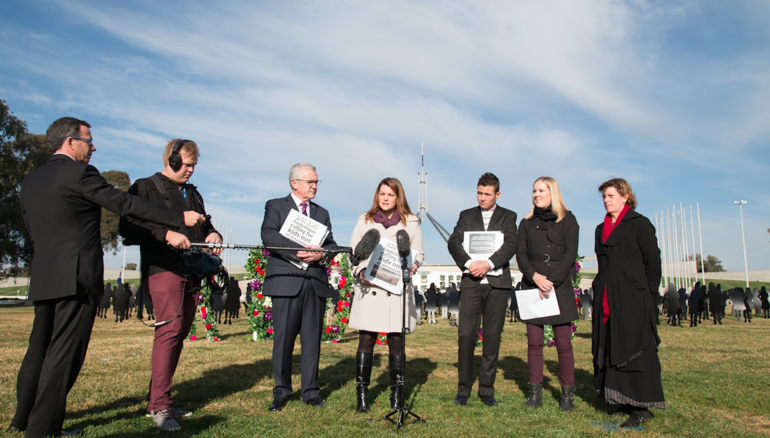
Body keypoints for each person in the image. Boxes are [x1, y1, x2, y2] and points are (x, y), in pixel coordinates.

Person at [9, 117, 204, 438]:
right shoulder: (80, 173)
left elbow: (32, 228)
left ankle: (23, 420)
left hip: (44, 274)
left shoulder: (31, 180)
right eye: (89, 140)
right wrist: (176, 218)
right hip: (76, 276)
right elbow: (124, 204)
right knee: (63, 356)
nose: (94, 146)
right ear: (70, 142)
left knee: (38, 350)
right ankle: (42, 431)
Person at [119, 139, 222, 431]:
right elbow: (127, 226)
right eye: (186, 164)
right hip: (163, 268)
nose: (190, 170)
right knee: (170, 330)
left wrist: (212, 233)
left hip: (192, 271)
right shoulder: (145, 186)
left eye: (194, 166)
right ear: (172, 159)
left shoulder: (194, 194)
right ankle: (160, 406)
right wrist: (165, 234)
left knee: (179, 332)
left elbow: (204, 223)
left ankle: (159, 399)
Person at [261, 163, 337, 411]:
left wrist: (322, 254)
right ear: (294, 183)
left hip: (315, 282)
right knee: (283, 341)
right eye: (309, 182)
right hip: (286, 282)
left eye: (316, 182)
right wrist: (299, 252)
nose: (314, 186)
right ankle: (281, 392)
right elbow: (269, 235)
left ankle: (311, 392)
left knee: (312, 340)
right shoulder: (276, 206)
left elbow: (331, 244)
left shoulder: (322, 212)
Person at [592, 178, 664, 428]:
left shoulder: (639, 224)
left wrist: (647, 295)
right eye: (604, 197)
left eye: (611, 195)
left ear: (625, 197)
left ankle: (641, 407)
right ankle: (621, 398)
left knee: (636, 349)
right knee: (613, 345)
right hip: (607, 297)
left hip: (634, 297)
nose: (606, 200)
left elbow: (653, 263)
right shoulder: (600, 229)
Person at [347, 177, 424, 413]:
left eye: (390, 195)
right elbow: (353, 252)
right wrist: (359, 270)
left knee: (396, 342)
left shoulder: (410, 222)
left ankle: (397, 396)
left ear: (398, 197)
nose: (385, 198)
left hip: (397, 291)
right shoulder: (364, 220)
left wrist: (413, 265)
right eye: (382, 194)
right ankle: (362, 396)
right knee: (366, 341)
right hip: (369, 288)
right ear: (377, 195)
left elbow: (418, 252)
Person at [448, 172, 517, 407]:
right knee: (466, 335)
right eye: (479, 193)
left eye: (487, 194)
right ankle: (463, 390)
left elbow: (511, 244)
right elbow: (454, 242)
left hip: (497, 285)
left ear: (497, 194)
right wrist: (470, 265)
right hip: (471, 283)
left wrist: (488, 264)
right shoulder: (466, 216)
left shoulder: (509, 216)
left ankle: (487, 390)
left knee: (491, 338)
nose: (482, 198)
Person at [515, 177, 579, 412]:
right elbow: (520, 255)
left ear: (553, 192)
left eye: (541, 190)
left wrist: (551, 280)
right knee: (534, 343)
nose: (536, 194)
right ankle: (535, 394)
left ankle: (567, 395)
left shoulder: (569, 220)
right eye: (533, 190)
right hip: (534, 286)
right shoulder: (526, 223)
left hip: (558, 287)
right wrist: (536, 277)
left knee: (564, 344)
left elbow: (571, 252)